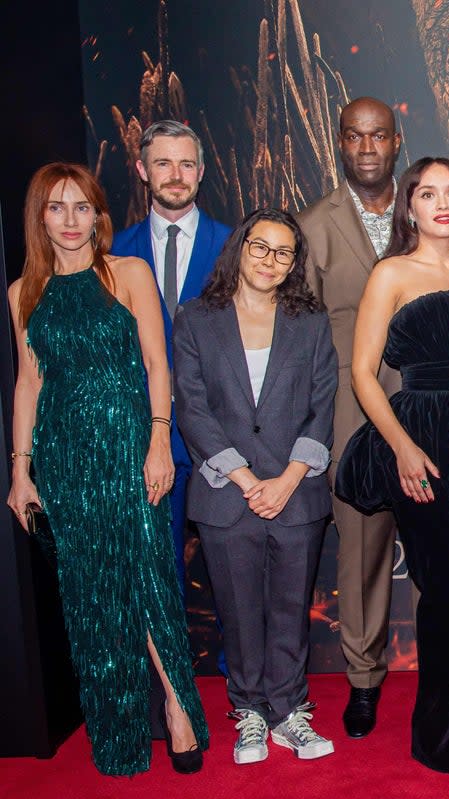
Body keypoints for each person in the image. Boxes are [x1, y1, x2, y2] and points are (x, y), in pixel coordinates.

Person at [6, 162, 208, 776]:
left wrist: (157, 442)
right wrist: (20, 472)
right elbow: (27, 383)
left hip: (129, 448)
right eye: (57, 208)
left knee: (146, 580)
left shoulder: (128, 273)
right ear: (40, 217)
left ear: (99, 215)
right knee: (92, 595)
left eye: (82, 207)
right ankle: (117, 732)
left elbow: (157, 364)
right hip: (64, 460)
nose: (70, 221)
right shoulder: (22, 293)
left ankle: (176, 708)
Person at [334, 157, 449, 773]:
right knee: (446, 584)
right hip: (419, 435)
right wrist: (401, 445)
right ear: (410, 207)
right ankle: (444, 731)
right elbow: (361, 371)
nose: (442, 203)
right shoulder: (392, 273)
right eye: (428, 194)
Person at [173, 208, 338, 764]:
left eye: (284, 252)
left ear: (295, 262)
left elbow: (322, 406)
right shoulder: (195, 318)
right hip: (227, 494)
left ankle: (289, 713)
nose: (271, 261)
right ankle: (248, 713)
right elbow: (192, 409)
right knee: (239, 612)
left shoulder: (311, 323)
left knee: (291, 609)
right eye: (260, 248)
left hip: (297, 492)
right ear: (239, 249)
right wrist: (246, 479)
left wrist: (288, 479)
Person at [297, 96, 403, 737]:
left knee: (442, 548)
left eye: (378, 136)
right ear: (340, 142)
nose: (366, 148)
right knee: (360, 552)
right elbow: (303, 339)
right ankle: (363, 680)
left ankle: (447, 674)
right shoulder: (314, 225)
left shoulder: (431, 212)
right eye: (354, 136)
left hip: (427, 407)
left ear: (397, 140)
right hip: (349, 412)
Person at [111, 119, 232, 594]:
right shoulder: (113, 252)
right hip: (146, 439)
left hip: (225, 436)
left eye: (186, 164)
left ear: (201, 172)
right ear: (142, 170)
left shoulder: (236, 248)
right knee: (158, 571)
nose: (176, 174)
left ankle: (235, 670)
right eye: (163, 163)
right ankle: (169, 669)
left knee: (233, 574)